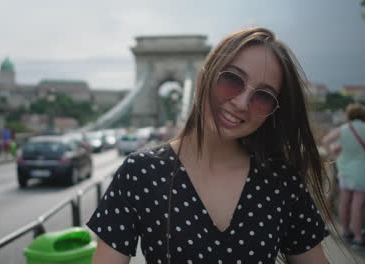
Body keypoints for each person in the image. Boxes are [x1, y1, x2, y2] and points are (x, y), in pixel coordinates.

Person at [87, 27, 332, 264]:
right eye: (232, 80)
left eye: (263, 96)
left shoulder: (282, 180)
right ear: (205, 74)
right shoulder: (139, 173)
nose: (241, 103)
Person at [331, 103, 365, 247]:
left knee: (344, 202)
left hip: (344, 170)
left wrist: (336, 157)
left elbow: (326, 142)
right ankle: (358, 237)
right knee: (357, 205)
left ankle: (345, 231)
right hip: (361, 171)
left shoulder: (343, 129)